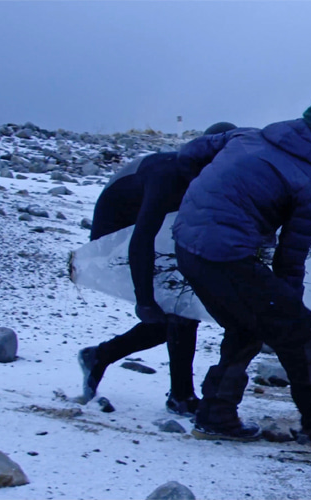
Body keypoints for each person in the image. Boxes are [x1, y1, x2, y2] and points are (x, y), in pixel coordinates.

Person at [171, 98, 311, 442]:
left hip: (187, 242)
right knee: (302, 331)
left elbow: (188, 154)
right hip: (225, 256)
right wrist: (289, 308)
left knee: (247, 326)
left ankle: (215, 414)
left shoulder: (244, 137)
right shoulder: (308, 182)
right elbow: (291, 256)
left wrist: (208, 194)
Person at [78, 121, 238, 417]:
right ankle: (180, 397)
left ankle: (99, 356)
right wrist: (144, 299)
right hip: (113, 238)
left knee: (172, 318)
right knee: (179, 312)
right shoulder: (169, 175)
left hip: (150, 233)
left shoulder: (206, 175)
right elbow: (141, 239)